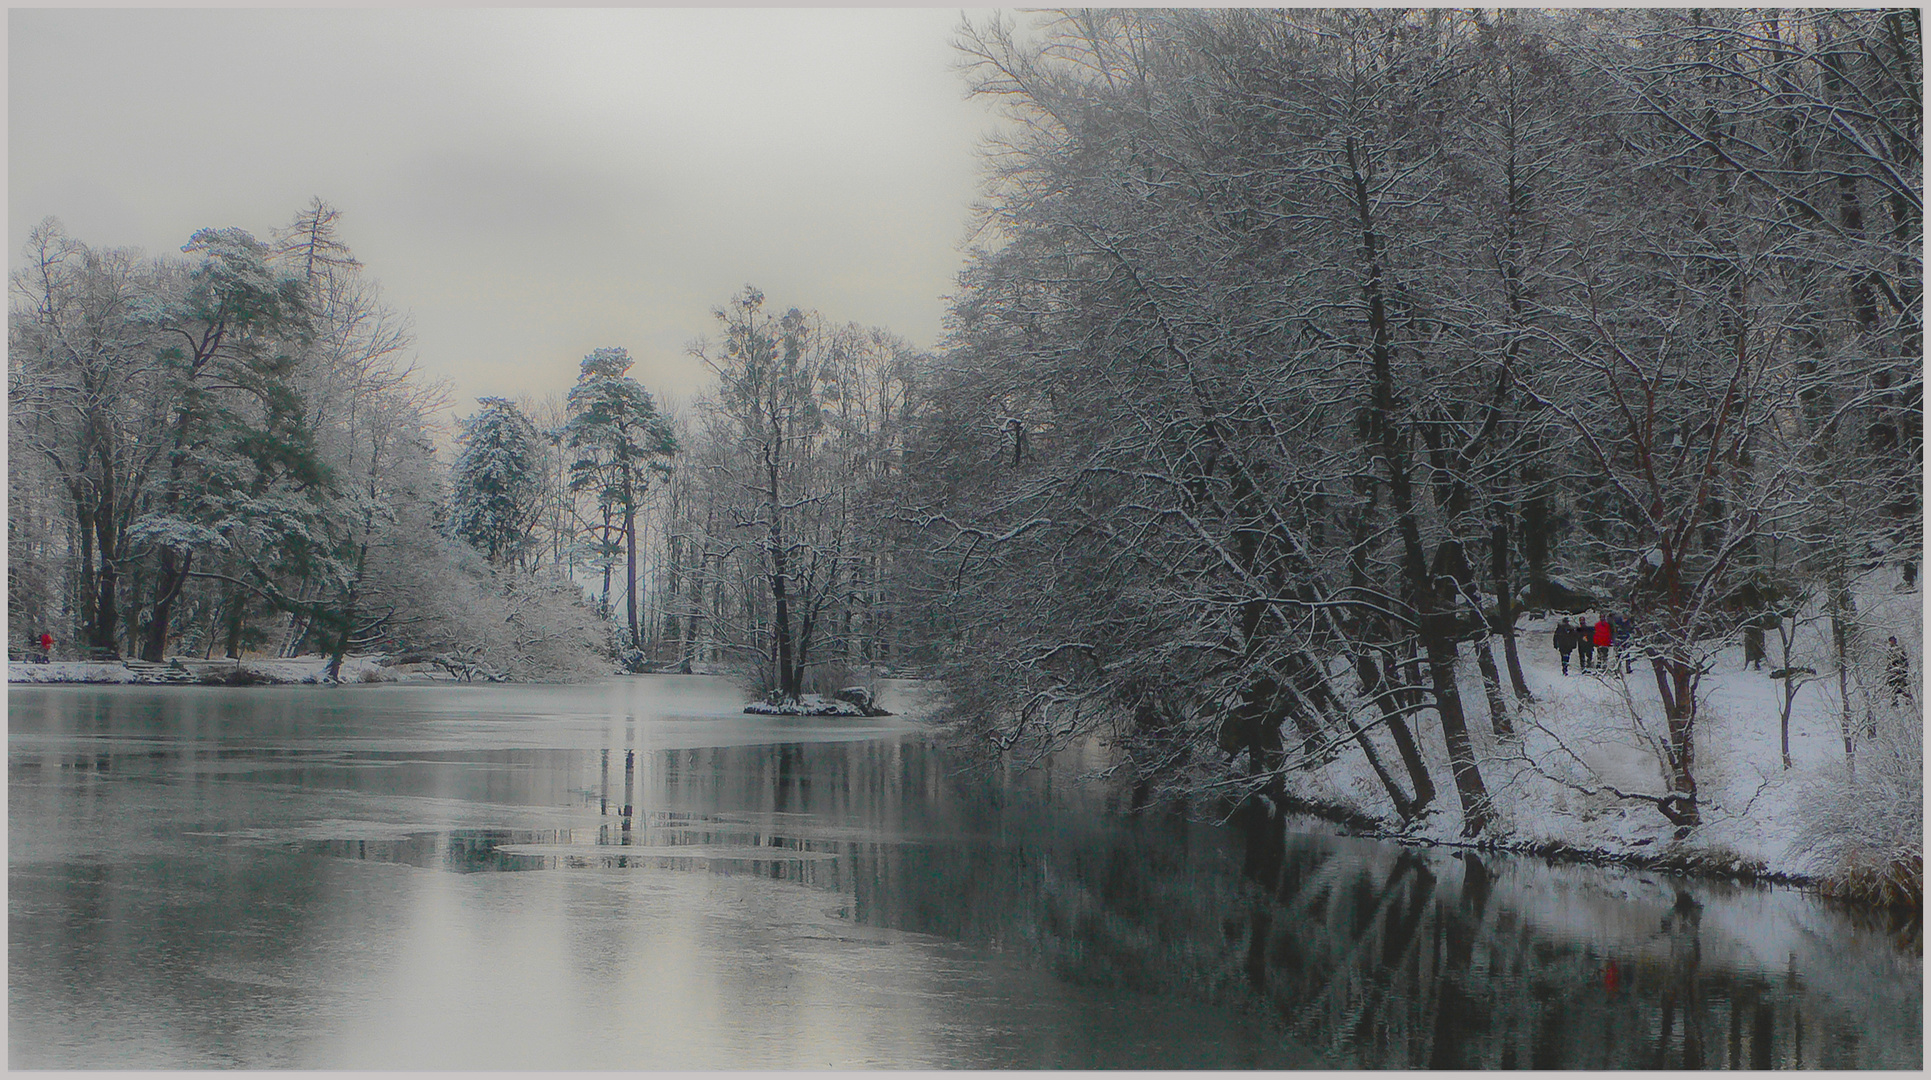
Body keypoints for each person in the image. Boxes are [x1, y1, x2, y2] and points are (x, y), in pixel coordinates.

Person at [1886, 635, 1912, 705]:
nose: (1891, 642)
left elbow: (1904, 660)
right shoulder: (1889, 651)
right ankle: (1894, 703)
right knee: (1894, 689)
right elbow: (1889, 662)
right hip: (1893, 673)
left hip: (1900, 672)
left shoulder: (1899, 650)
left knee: (1903, 687)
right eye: (1890, 641)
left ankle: (1908, 702)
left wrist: (1904, 670)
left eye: (1893, 640)